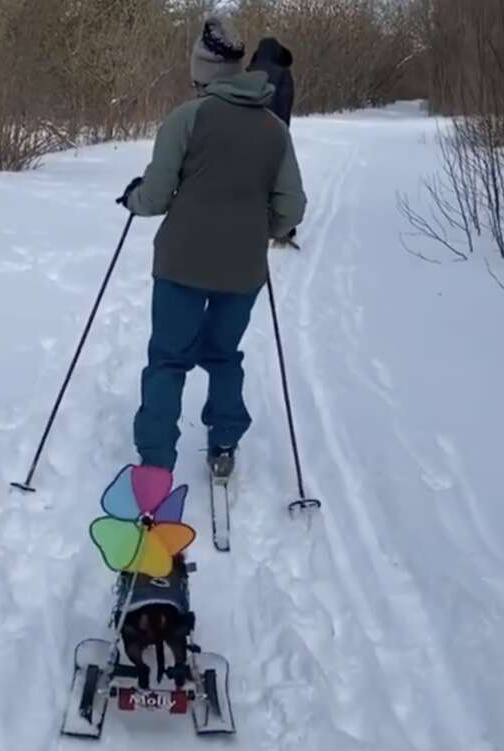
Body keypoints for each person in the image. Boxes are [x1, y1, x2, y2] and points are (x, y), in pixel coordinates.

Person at [117, 15, 307, 479]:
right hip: (242, 268)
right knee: (223, 354)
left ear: (202, 70)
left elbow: (156, 195)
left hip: (181, 261)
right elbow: (292, 207)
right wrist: (262, 228)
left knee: (168, 358)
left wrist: (132, 198)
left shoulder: (187, 118)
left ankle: (156, 458)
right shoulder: (272, 128)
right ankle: (223, 442)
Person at [248, 37, 295, 126]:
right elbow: (284, 104)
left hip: (250, 127)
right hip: (274, 127)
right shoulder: (283, 73)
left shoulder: (248, 71)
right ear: (278, 52)